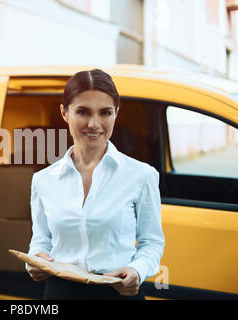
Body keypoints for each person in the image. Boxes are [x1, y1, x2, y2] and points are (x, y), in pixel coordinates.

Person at [26, 69, 165, 300]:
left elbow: (152, 242)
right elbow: (41, 240)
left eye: (105, 112)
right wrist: (35, 259)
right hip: (61, 292)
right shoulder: (43, 180)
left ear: (116, 113)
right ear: (65, 113)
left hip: (117, 292)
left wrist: (137, 270)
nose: (94, 124)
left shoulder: (141, 175)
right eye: (82, 112)